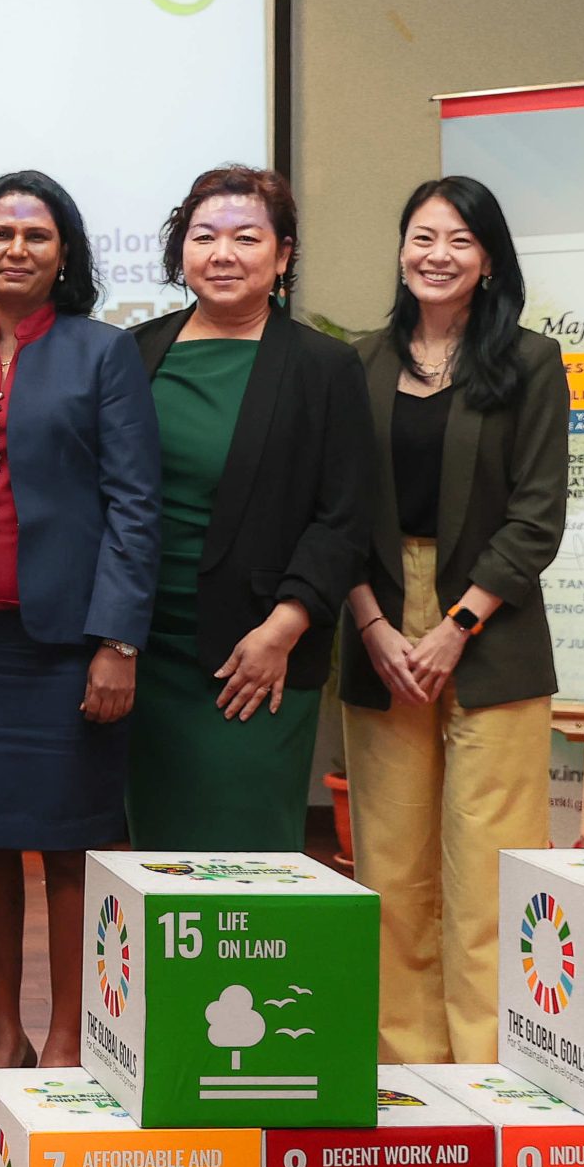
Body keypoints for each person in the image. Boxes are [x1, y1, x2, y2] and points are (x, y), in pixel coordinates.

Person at [0, 171, 160, 1121]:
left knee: (70, 848)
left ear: (65, 255)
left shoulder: (104, 354)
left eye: (37, 234)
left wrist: (118, 642)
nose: (16, 248)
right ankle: (1, 1037)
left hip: (70, 647)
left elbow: (136, 506)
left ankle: (68, 1041)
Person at [339, 177, 568, 1064]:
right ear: (402, 248)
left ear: (489, 260)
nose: (438, 255)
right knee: (391, 864)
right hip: (377, 618)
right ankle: (405, 1067)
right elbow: (335, 510)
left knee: (490, 866)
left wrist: (455, 626)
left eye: (460, 240)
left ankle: (489, 1065)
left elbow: (537, 517)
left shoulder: (530, 362)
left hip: (491, 623)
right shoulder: (358, 362)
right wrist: (372, 624)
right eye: (423, 236)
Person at [127, 165, 375, 850]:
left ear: (283, 255)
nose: (223, 254)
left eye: (246, 237)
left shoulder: (324, 367)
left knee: (248, 861)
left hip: (258, 652)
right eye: (204, 236)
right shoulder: (135, 353)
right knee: (157, 860)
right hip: (145, 653)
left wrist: (283, 629)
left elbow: (345, 516)